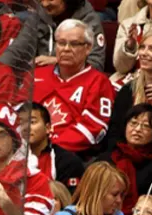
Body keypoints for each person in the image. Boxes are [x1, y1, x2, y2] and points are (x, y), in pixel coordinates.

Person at [32, 20, 114, 155]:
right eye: (61, 43)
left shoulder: (99, 82)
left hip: (69, 156)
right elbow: (17, 112)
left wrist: (48, 146)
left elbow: (93, 128)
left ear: (88, 48)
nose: (66, 49)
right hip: (26, 150)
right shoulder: (37, 74)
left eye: (74, 44)